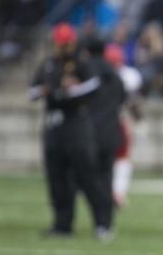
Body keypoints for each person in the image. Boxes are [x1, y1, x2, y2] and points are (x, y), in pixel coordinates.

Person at [29, 23, 112, 239]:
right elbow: (33, 91)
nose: (64, 47)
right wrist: (50, 90)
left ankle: (103, 223)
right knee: (56, 178)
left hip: (76, 124)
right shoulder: (48, 65)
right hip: (53, 125)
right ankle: (62, 224)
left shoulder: (81, 64)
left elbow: (93, 86)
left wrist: (70, 91)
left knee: (87, 176)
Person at [83, 38, 123, 229]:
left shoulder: (85, 71)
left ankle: (98, 219)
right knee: (106, 178)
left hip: (88, 132)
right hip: (111, 131)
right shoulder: (115, 75)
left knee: (88, 180)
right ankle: (106, 223)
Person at [104, 43, 144, 208]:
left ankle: (110, 192)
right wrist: (139, 119)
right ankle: (118, 192)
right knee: (122, 158)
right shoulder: (128, 76)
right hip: (117, 121)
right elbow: (133, 103)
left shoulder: (96, 73)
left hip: (97, 122)